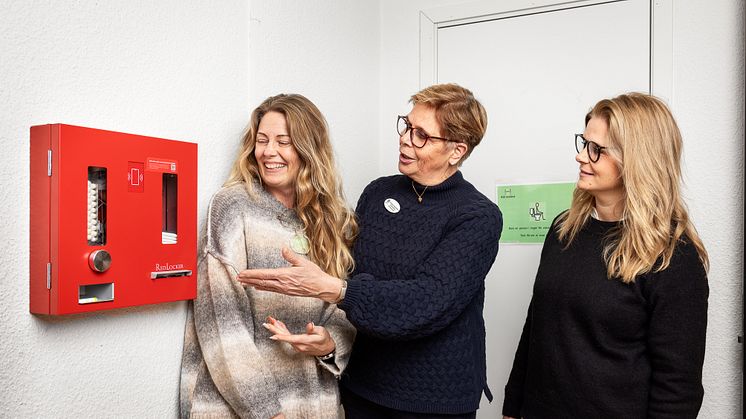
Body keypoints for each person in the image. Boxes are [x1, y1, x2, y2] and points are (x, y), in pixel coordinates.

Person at [238, 83, 503, 418]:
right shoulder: (378, 193)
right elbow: (349, 270)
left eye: (422, 135)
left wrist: (336, 290)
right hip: (363, 386)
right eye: (406, 125)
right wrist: (330, 336)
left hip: (433, 399)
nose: (406, 138)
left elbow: (427, 301)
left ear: (456, 151)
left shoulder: (477, 216)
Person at [502, 93, 709, 418]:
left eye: (597, 150)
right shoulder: (563, 230)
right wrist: (512, 407)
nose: (582, 157)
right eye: (583, 143)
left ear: (636, 161)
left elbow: (677, 390)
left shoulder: (672, 258)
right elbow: (536, 327)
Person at [179, 94, 357, 419]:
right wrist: (267, 413)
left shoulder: (332, 220)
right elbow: (220, 322)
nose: (268, 152)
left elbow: (347, 305)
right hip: (242, 410)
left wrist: (331, 344)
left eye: (283, 141)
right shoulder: (232, 207)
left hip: (313, 404)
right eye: (262, 140)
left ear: (309, 149)